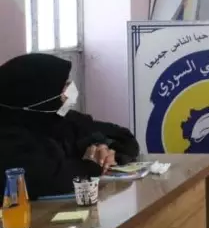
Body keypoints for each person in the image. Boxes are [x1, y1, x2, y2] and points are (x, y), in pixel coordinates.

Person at [0, 54, 140, 198]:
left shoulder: (65, 119)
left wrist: (106, 151)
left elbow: (124, 137)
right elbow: (48, 179)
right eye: (64, 86)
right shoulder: (8, 137)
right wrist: (89, 165)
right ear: (41, 94)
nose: (70, 91)